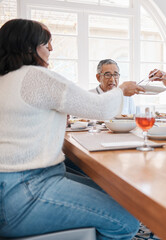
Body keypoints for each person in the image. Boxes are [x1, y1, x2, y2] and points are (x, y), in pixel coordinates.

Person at [0, 19, 144, 239]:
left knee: (115, 194)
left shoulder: (6, 79)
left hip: (11, 188)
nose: (51, 49)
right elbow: (101, 108)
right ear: (29, 47)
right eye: (46, 43)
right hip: (26, 191)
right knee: (126, 220)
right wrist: (122, 89)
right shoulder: (36, 77)